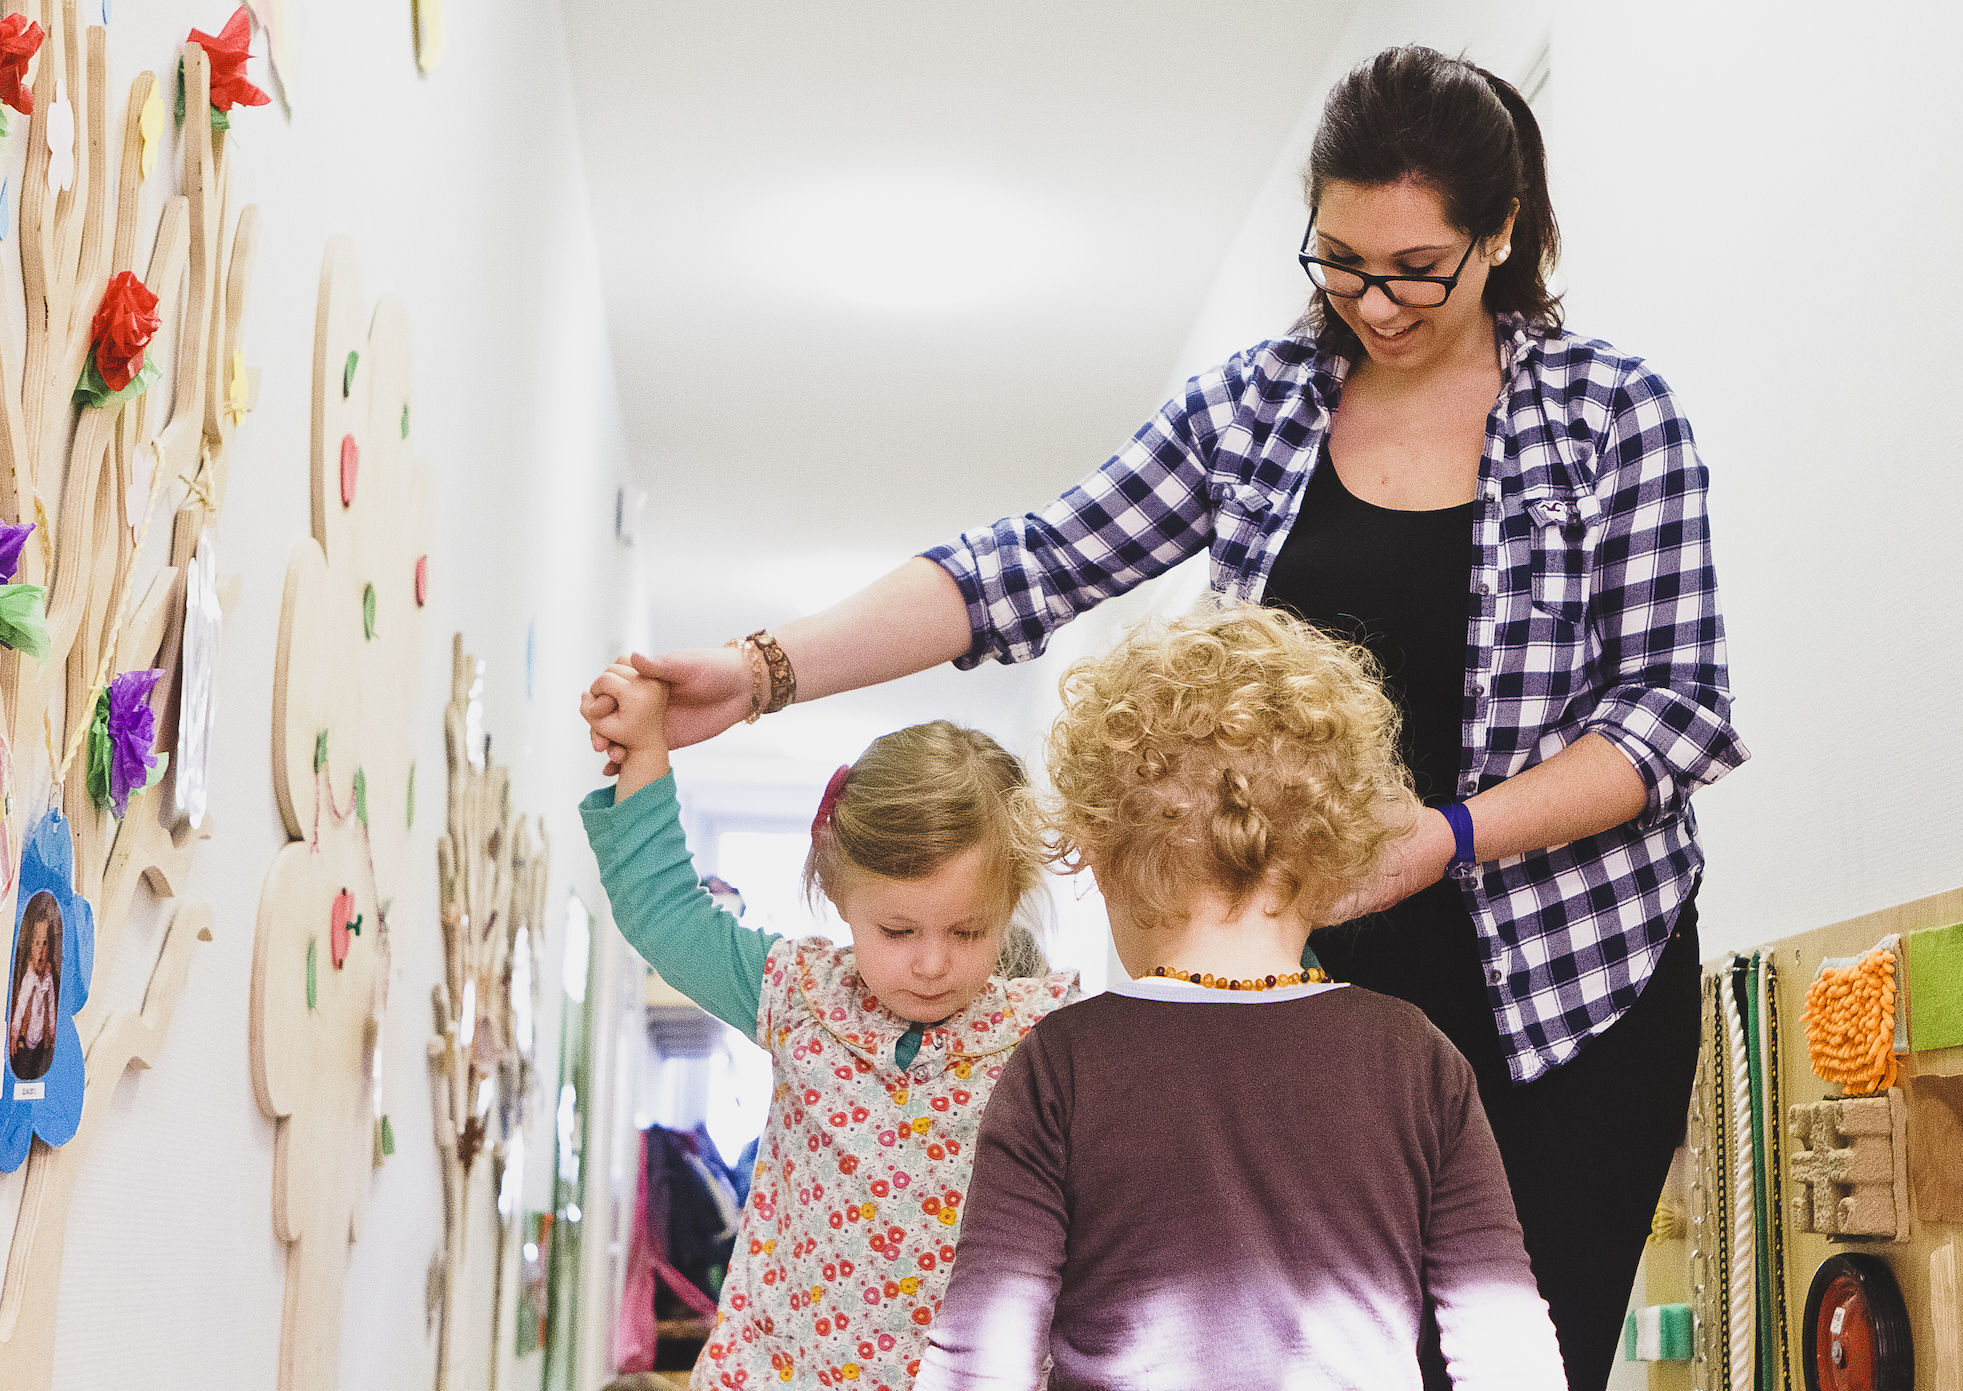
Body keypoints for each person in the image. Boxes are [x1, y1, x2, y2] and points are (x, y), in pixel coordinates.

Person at [585, 46, 1744, 1387]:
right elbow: (1027, 563)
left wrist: (1451, 834)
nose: (1373, 300)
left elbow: (1676, 714)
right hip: (1308, 985)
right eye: (1339, 259)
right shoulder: (1259, 408)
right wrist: (768, 667)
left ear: (1503, 236)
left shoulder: (1612, 417)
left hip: (1568, 990)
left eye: (1416, 265)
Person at [918, 601, 1563, 1390]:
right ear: (1336, 860)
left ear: (1105, 857)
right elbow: (1507, 1346)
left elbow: (983, 1352)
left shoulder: (1063, 1062)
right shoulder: (1414, 1054)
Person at [580, 672, 1075, 1391]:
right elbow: (662, 911)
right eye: (898, 929)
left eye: (969, 930)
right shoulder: (798, 995)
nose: (933, 963)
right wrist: (646, 745)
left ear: (1011, 902)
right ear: (839, 889)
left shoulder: (1046, 1035)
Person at [8, 894, 59, 1082]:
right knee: (22, 1066)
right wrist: (14, 1033)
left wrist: (52, 1031)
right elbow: (20, 1007)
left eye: (45, 944)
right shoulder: (28, 978)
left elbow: (52, 1005)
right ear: (30, 947)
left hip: (40, 1039)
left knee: (37, 1068)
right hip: (24, 1037)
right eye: (37, 944)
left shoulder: (48, 978)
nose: (41, 950)